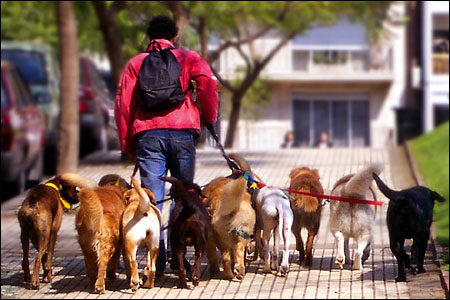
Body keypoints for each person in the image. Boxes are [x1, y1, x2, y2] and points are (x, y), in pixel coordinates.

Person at [114, 15, 219, 275]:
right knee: (183, 196)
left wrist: (128, 142)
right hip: (183, 133)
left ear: (149, 38)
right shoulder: (188, 58)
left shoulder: (136, 63)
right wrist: (209, 117)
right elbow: (207, 84)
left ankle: (156, 260)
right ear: (174, 37)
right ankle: (178, 257)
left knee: (152, 198)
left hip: (148, 136)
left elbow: (123, 105)